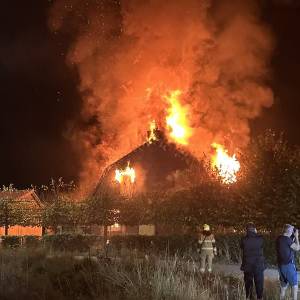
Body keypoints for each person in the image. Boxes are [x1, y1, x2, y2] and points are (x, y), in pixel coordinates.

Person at [240, 223, 265, 300]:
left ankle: (249, 297)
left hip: (248, 265)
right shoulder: (260, 238)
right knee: (259, 283)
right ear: (255, 229)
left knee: (248, 283)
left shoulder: (243, 239)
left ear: (246, 230)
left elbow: (241, 247)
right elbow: (262, 246)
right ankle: (259, 297)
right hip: (259, 265)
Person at [276, 224, 300, 300]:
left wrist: (292, 236)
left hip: (280, 266)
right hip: (288, 266)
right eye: (292, 230)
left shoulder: (279, 238)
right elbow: (297, 248)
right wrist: (296, 236)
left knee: (283, 287)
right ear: (289, 230)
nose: (293, 231)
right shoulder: (287, 240)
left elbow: (286, 244)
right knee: (295, 286)